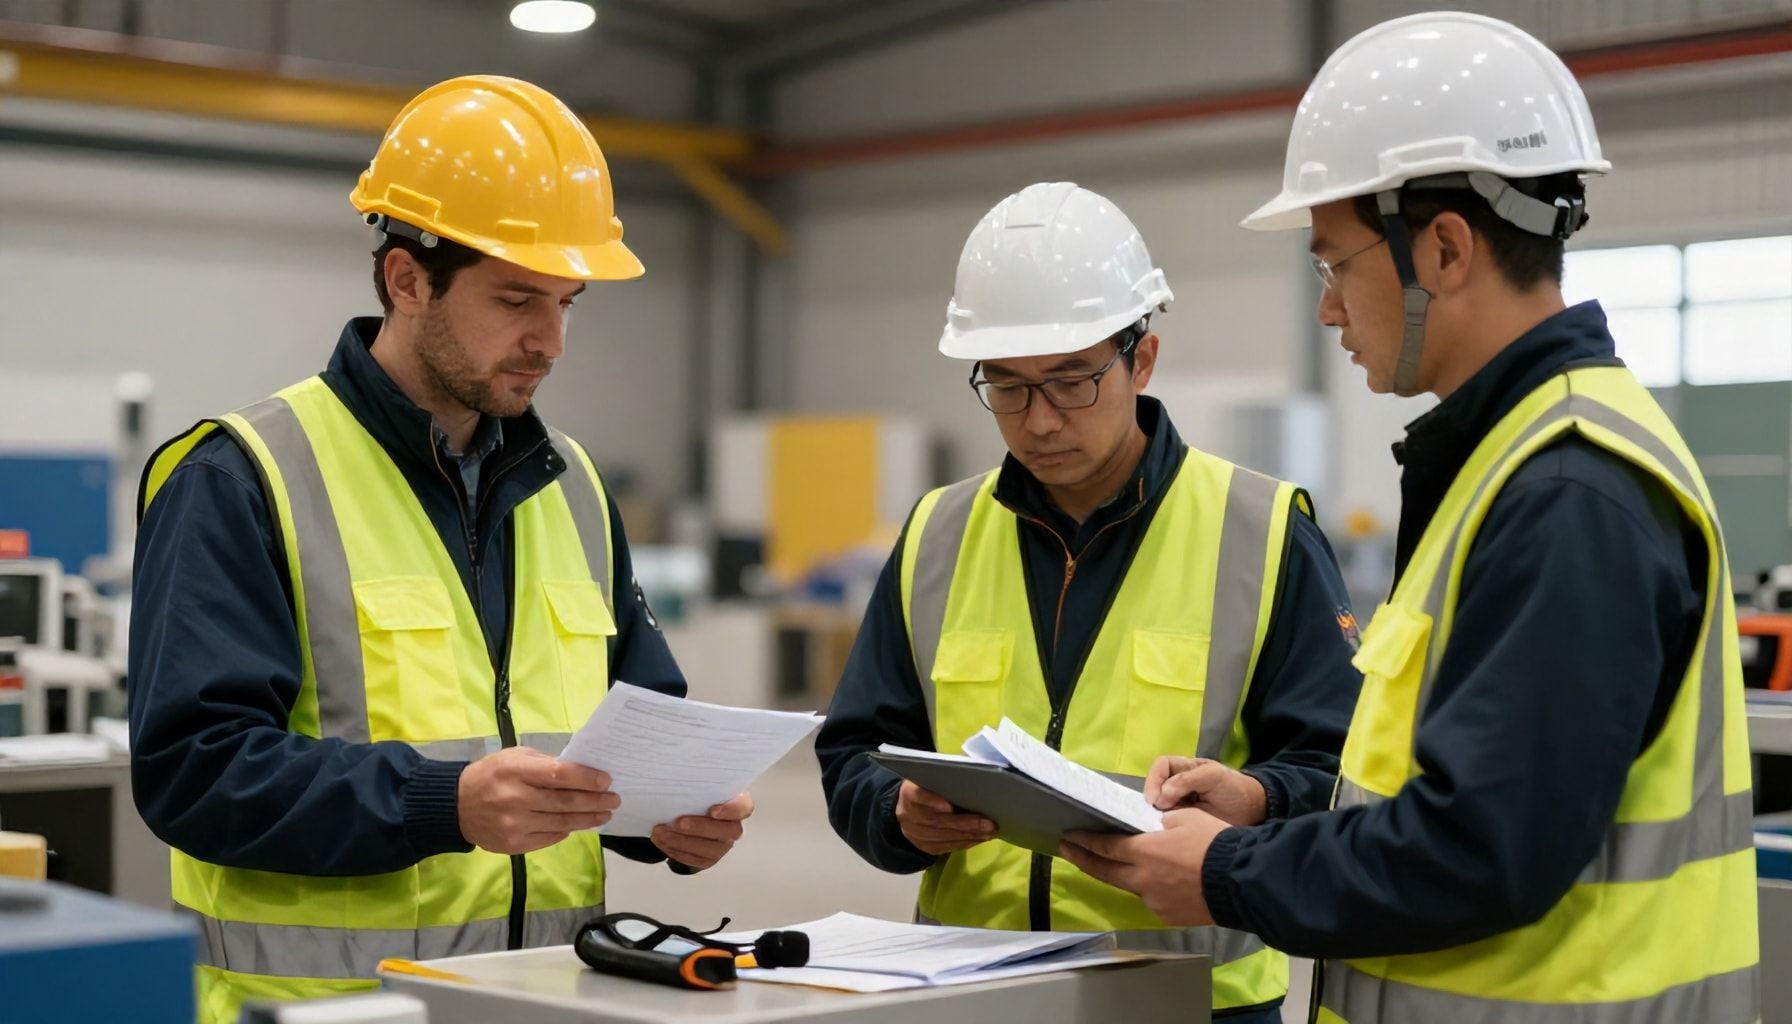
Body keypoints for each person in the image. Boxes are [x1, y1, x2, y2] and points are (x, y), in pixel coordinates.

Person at [1059, 13, 1760, 1022]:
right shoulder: (1517, 462)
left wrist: (1227, 872)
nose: (1327, 309)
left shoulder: (1566, 491)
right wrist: (1270, 802)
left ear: (1443, 249)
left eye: (1334, 264)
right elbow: (1459, 782)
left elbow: (1482, 845)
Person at [128, 76, 751, 1022]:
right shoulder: (241, 476)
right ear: (406, 281)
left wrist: (672, 818)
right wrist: (440, 801)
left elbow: (638, 722)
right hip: (319, 1008)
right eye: (517, 298)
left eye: (568, 302)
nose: (550, 340)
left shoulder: (574, 485)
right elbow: (195, 772)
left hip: (545, 1004)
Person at [817, 181, 1362, 1022]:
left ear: (1143, 359)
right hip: (975, 995)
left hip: (1193, 1001)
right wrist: (897, 815)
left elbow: (1339, 771)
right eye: (1007, 387)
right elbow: (854, 749)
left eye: (1071, 382)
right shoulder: (936, 534)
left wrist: (1257, 799)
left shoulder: (1260, 531)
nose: (1038, 422)